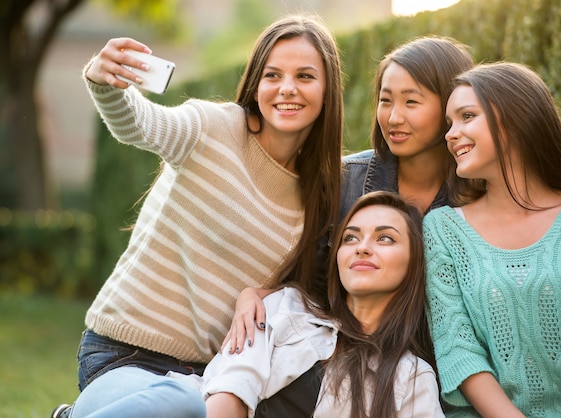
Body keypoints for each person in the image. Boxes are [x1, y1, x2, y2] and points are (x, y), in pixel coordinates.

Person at [51, 14, 344, 418]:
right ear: (257, 83)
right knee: (188, 406)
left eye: (306, 76)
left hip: (209, 376)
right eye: (273, 75)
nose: (287, 89)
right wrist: (106, 84)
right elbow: (139, 124)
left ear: (329, 91)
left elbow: (298, 293)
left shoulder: (318, 197)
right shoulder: (214, 127)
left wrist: (256, 294)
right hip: (124, 356)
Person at [224, 35, 475, 353]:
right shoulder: (344, 182)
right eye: (386, 101)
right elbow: (309, 286)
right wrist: (254, 295)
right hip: (347, 360)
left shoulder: (477, 190)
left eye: (411, 102)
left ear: (452, 105)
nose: (394, 117)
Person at [424, 62, 561, 417]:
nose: (450, 134)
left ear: (515, 119)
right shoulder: (442, 229)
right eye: (449, 123)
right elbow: (458, 348)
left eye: (467, 116)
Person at [182, 191, 443, 417]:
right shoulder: (284, 309)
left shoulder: (413, 378)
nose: (362, 248)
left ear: (414, 263)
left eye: (385, 238)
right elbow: (231, 392)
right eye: (350, 238)